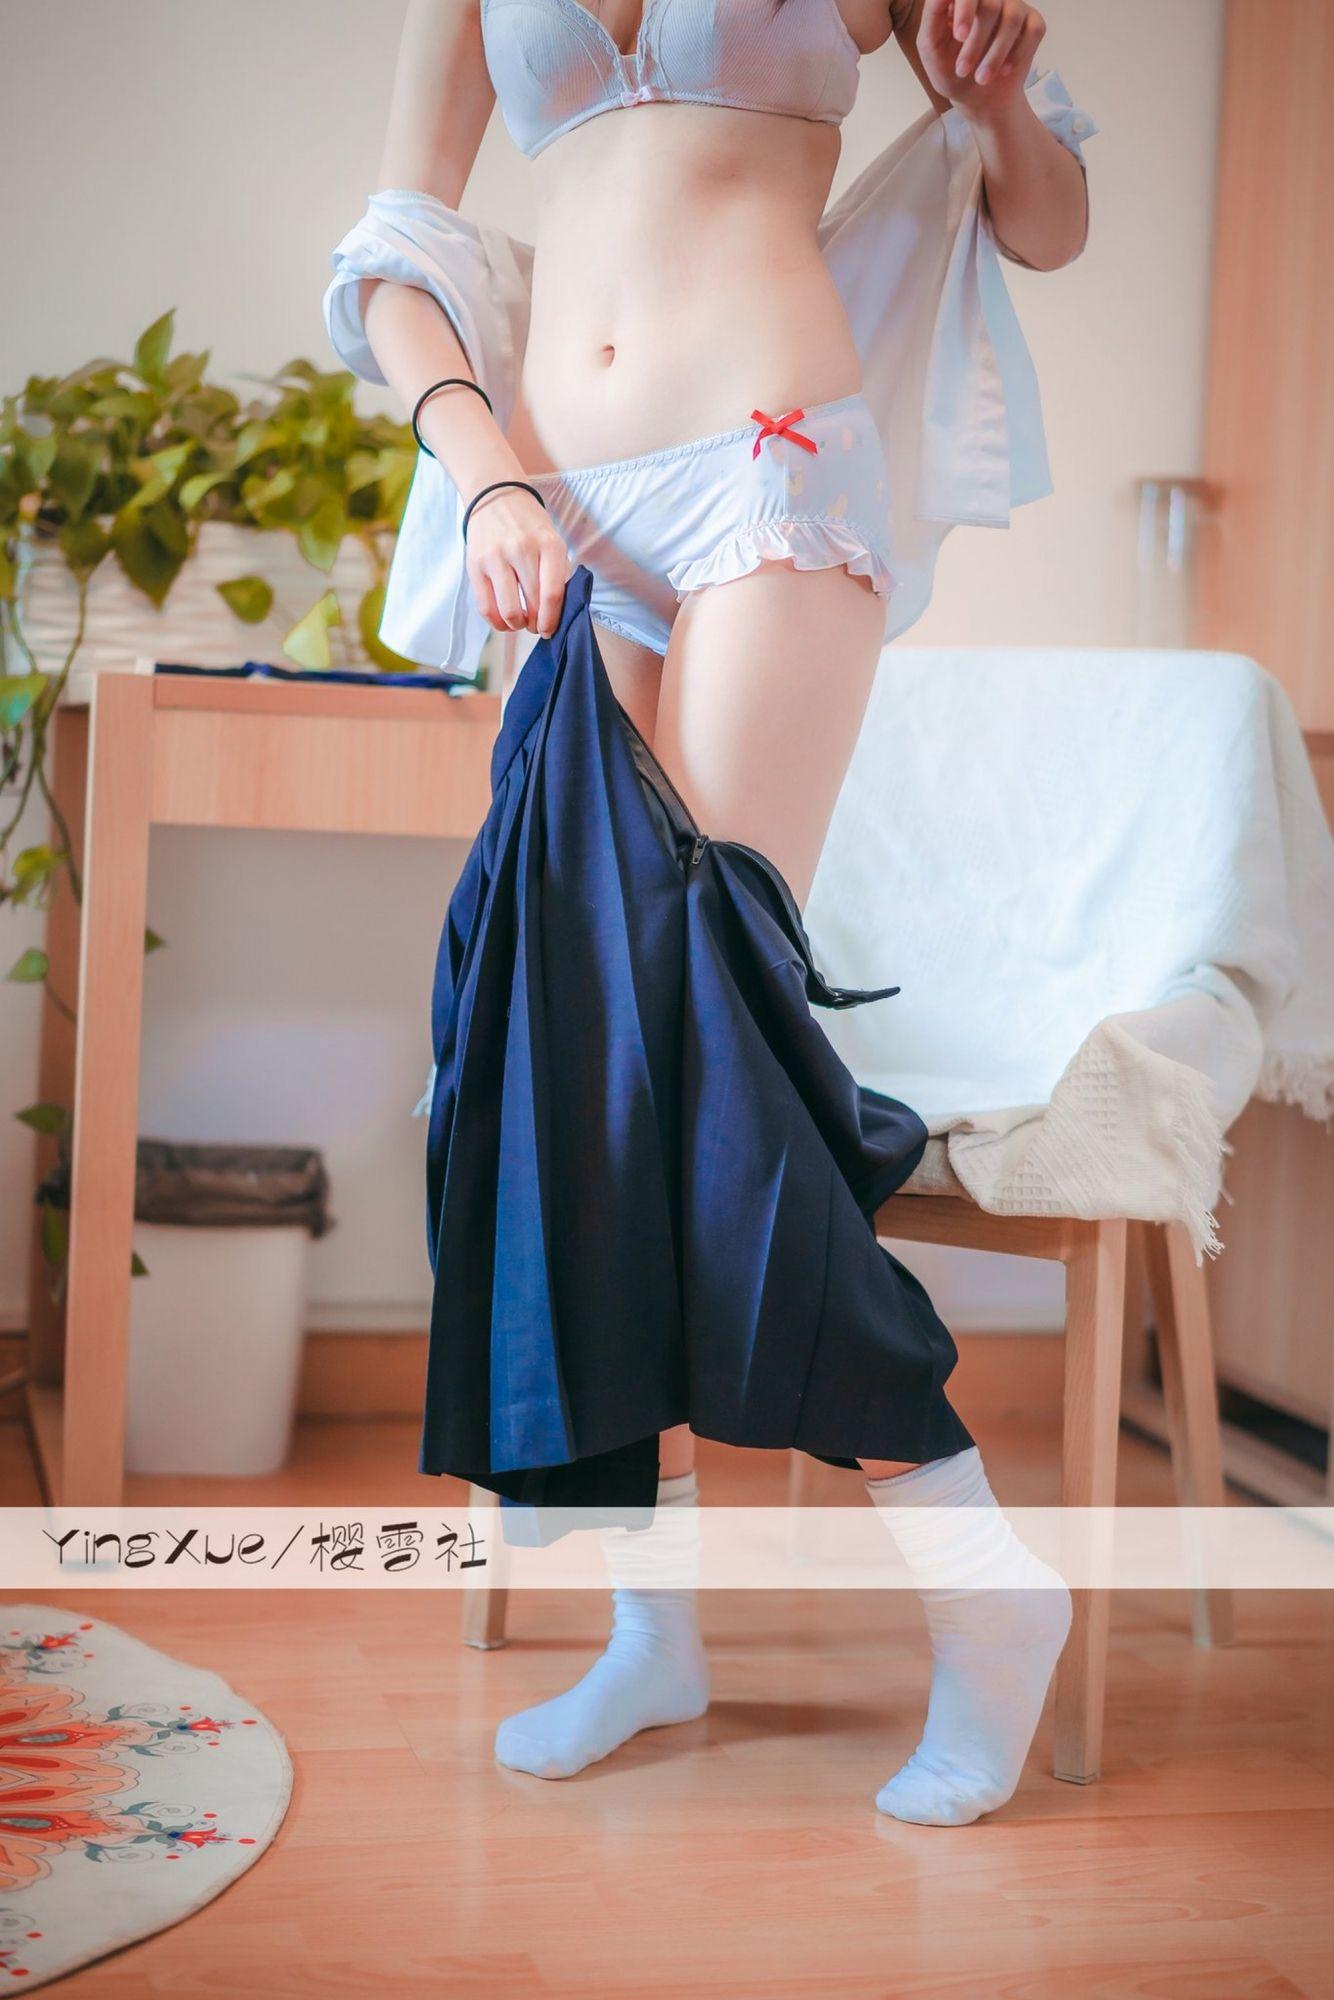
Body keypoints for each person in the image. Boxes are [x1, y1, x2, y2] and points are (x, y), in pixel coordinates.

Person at [324, 0, 1095, 1826]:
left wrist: (992, 98)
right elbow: (393, 255)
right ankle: (652, 1631)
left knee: (713, 1049)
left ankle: (982, 1586)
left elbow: (1044, 219)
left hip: (765, 463)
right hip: (552, 506)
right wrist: (483, 472)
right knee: (571, 1075)